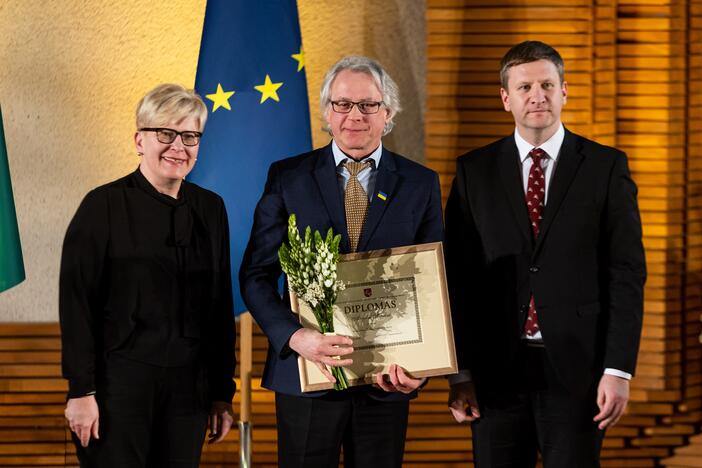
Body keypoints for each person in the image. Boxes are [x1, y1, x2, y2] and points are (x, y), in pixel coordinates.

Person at [444, 41, 646, 467]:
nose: (537, 95)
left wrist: (618, 369)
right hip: (494, 374)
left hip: (579, 374)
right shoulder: (473, 171)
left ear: (564, 91)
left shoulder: (606, 167)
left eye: (547, 84)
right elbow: (457, 279)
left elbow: (626, 274)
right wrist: (459, 372)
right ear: (505, 98)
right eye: (524, 87)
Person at [239, 55, 443, 467]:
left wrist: (423, 365)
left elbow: (432, 283)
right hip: (306, 374)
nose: (355, 116)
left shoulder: (421, 183)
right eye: (343, 104)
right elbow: (256, 275)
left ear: (388, 113)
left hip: (388, 380)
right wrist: (296, 338)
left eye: (368, 105)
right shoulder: (288, 177)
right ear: (326, 113)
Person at [59, 83, 236, 467]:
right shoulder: (101, 205)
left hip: (190, 390)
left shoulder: (211, 209)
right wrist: (81, 391)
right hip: (115, 388)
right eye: (166, 134)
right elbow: (77, 306)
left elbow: (220, 305)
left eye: (190, 136)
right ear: (140, 140)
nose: (179, 146)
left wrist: (223, 393)